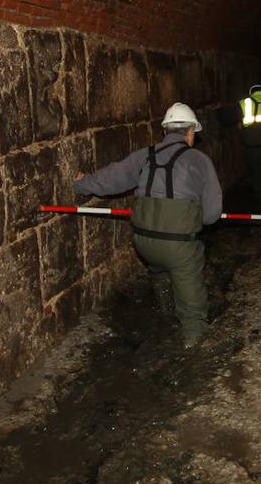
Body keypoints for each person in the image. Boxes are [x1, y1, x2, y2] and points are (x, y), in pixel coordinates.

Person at [73, 102, 222, 348]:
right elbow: (212, 214)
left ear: (165, 132)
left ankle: (163, 309)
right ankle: (194, 344)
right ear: (191, 133)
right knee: (190, 289)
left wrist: (81, 184)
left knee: (160, 266)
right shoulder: (200, 160)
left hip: (143, 243)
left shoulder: (144, 155)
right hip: (179, 247)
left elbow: (110, 179)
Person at [218, 84, 261, 211]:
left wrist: (218, 111)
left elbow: (226, 117)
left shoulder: (245, 104)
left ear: (251, 93)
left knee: (257, 175)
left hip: (252, 149)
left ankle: (260, 203)